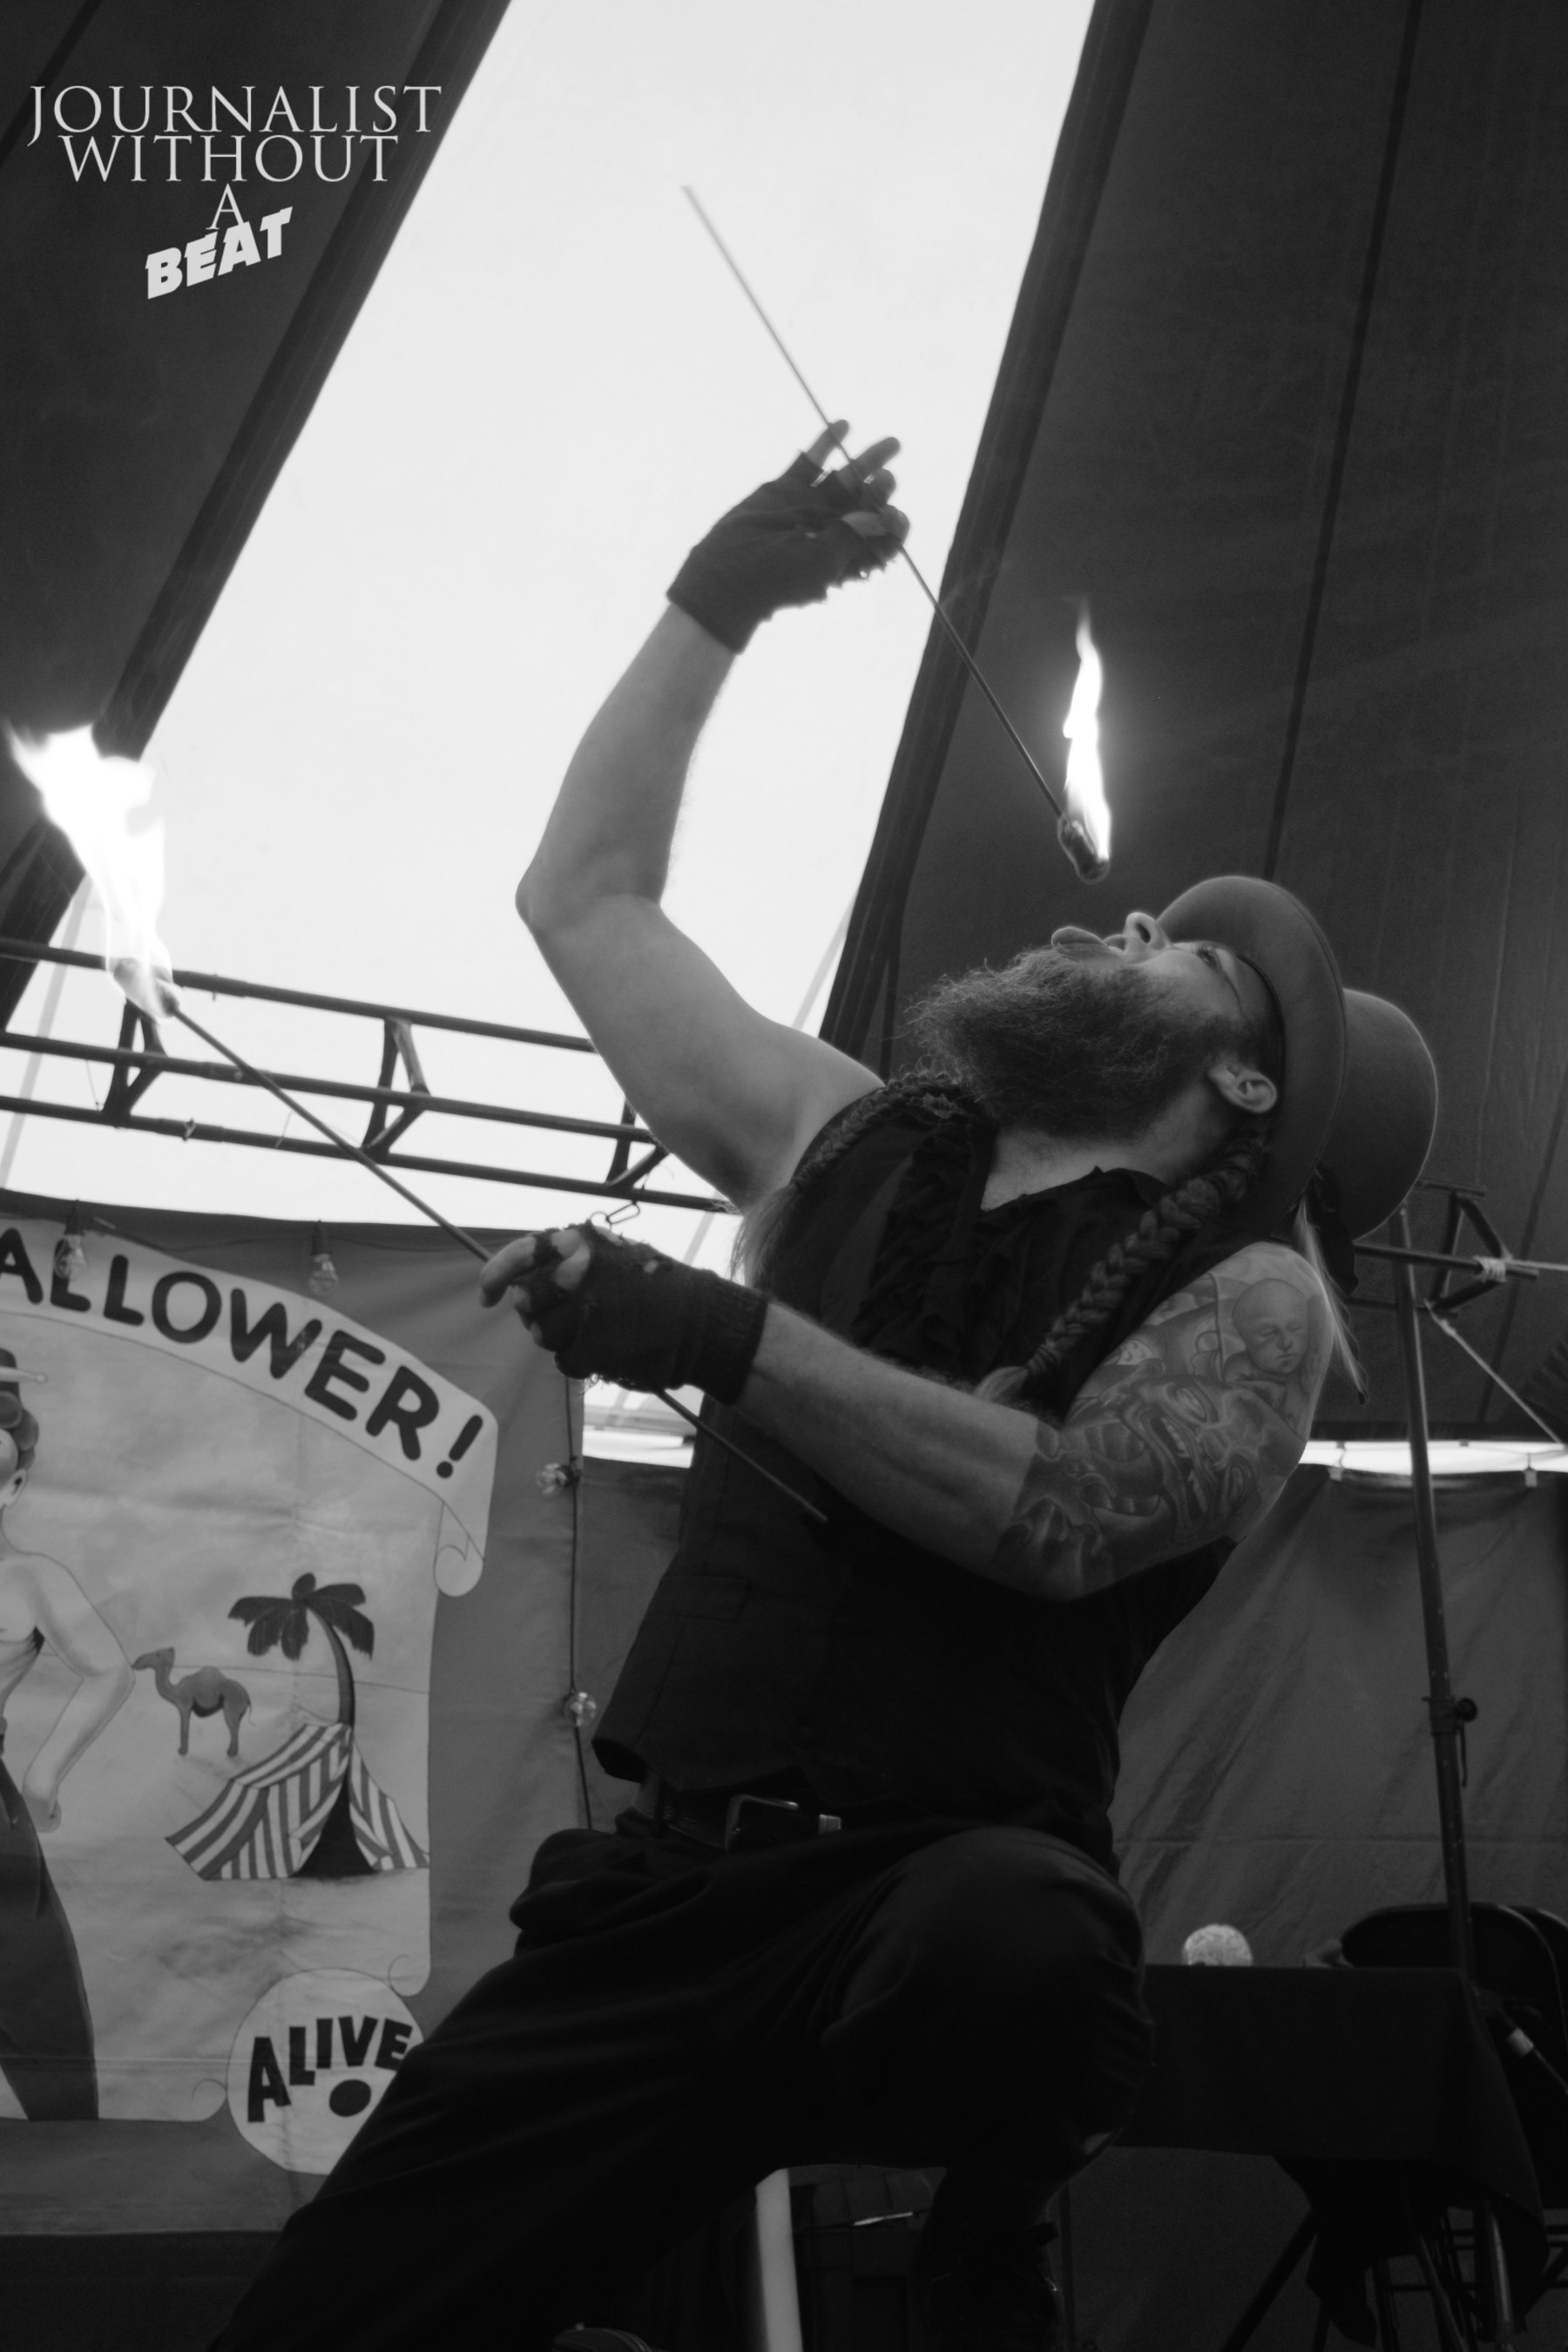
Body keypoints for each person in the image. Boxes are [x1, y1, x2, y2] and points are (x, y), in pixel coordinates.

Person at [213, 435, 1436, 2351]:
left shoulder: (1255, 1302)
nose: (1126, 922)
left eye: (1188, 950)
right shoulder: (846, 1135)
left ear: (1248, 1086)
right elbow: (585, 900)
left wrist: (721, 1337)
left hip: (927, 1906)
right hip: (667, 1902)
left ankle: (992, 2216)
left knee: (1030, 1937)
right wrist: (716, 605)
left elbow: (1049, 1514)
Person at [0, 1348, 135, 2119]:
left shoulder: (29, 1579)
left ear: (14, 1484)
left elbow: (109, 1669)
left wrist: (44, 1775)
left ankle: (70, 2151)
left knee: (32, 1996)